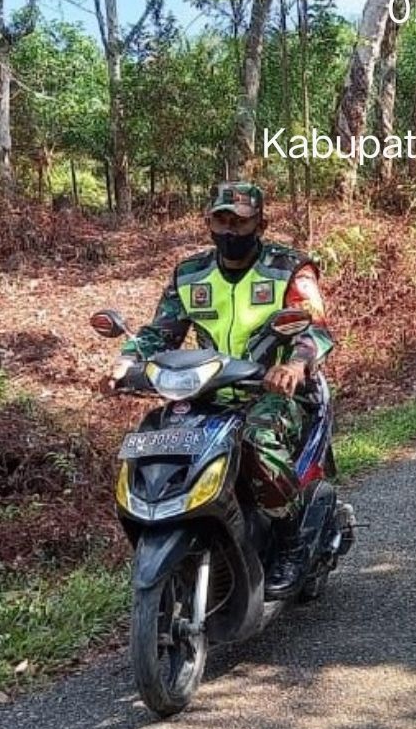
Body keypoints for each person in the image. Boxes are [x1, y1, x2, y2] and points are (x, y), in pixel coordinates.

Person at [109, 181, 334, 597]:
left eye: (241, 221)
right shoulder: (190, 274)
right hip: (204, 392)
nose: (230, 231)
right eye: (221, 220)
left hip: (273, 392)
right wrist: (129, 359)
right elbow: (162, 330)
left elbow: (314, 328)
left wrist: (294, 364)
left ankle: (291, 539)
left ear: (260, 223)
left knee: (257, 439)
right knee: (151, 437)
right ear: (209, 222)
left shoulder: (289, 268)